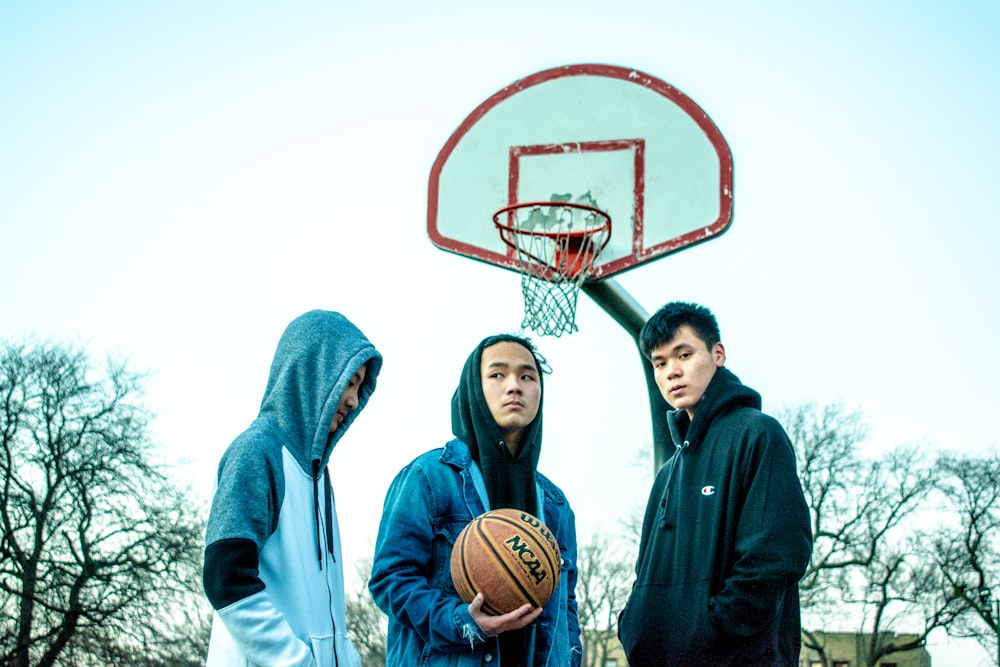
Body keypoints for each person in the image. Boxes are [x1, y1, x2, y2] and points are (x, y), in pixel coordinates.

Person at [618, 302, 813, 666]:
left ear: (718, 354)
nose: (671, 372)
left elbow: (775, 553)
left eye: (684, 354)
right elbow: (644, 571)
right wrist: (634, 624)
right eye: (659, 363)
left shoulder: (758, 433)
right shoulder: (668, 472)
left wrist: (714, 628)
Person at [369, 333, 581, 667]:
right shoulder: (427, 478)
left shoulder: (555, 505)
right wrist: (463, 622)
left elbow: (565, 607)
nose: (514, 386)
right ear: (474, 388)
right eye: (497, 374)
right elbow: (391, 579)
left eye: (527, 376)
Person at [202, 310, 382, 666]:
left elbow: (322, 617)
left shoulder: (318, 477)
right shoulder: (256, 451)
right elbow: (225, 577)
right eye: (349, 381)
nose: (353, 400)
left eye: (360, 387)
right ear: (313, 371)